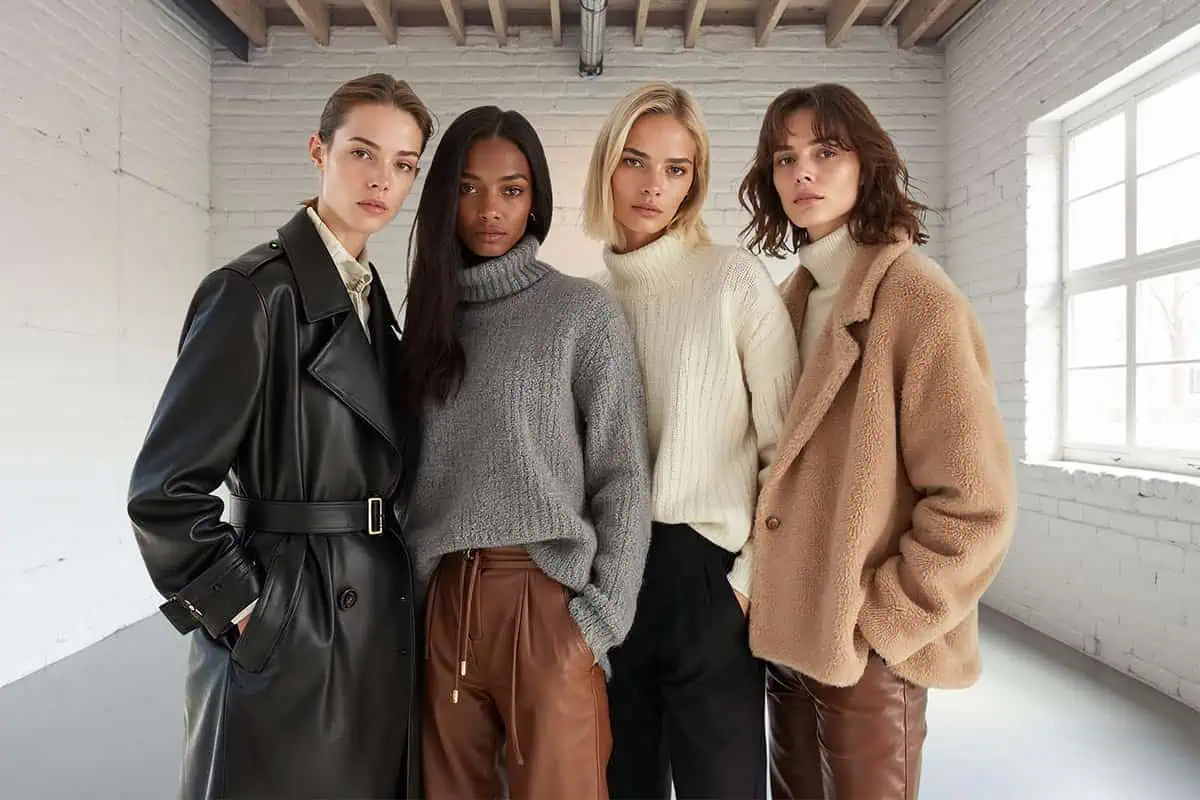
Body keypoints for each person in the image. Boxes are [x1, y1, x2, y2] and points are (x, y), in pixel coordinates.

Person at [126, 73, 433, 799]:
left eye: (403, 164)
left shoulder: (371, 301)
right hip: (293, 616)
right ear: (318, 152)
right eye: (362, 152)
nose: (381, 179)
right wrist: (248, 615)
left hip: (367, 621)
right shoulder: (255, 293)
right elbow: (164, 492)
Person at [737, 83, 1017, 800]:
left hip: (865, 648)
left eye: (825, 152)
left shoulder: (917, 299)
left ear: (868, 164)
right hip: (788, 640)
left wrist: (880, 625)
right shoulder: (790, 301)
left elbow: (975, 503)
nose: (802, 173)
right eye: (784, 158)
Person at [400, 105, 653, 800]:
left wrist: (599, 622)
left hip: (544, 601)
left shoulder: (579, 314)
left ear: (535, 197)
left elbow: (622, 474)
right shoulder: (425, 324)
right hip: (445, 603)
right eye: (469, 188)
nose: (490, 209)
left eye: (511, 189)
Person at [582, 81, 800, 800]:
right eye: (636, 161)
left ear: (695, 180)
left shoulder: (733, 280)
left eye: (677, 169)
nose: (654, 186)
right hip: (607, 576)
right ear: (606, 167)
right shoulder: (584, 303)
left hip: (707, 575)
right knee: (622, 785)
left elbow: (790, 454)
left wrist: (744, 585)